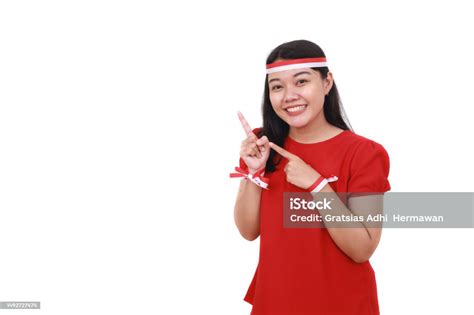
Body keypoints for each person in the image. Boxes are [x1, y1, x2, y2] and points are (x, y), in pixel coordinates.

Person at [231, 40, 391, 315]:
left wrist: (318, 186)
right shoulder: (264, 146)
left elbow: (362, 249)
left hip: (342, 305)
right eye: (277, 87)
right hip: (276, 302)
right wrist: (254, 172)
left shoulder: (365, 153)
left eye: (301, 81)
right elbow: (248, 231)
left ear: (327, 83)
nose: (289, 95)